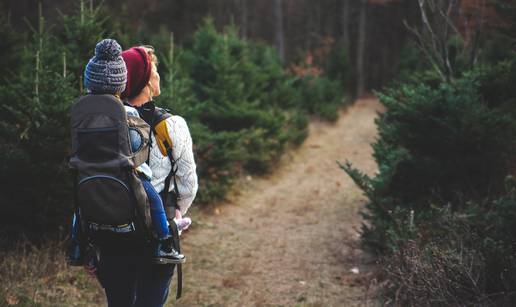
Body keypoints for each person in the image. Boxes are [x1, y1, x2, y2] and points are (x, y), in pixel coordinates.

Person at [94, 43, 198, 307]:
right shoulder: (171, 125)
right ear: (146, 80)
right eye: (154, 71)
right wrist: (175, 214)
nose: (158, 76)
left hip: (112, 234)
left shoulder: (106, 122)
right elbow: (188, 184)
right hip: (154, 237)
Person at [67, 38, 185, 266]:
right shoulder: (123, 111)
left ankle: (77, 245)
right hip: (122, 168)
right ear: (120, 84)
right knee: (153, 198)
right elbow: (134, 141)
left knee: (79, 205)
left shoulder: (82, 109)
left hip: (87, 168)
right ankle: (164, 242)